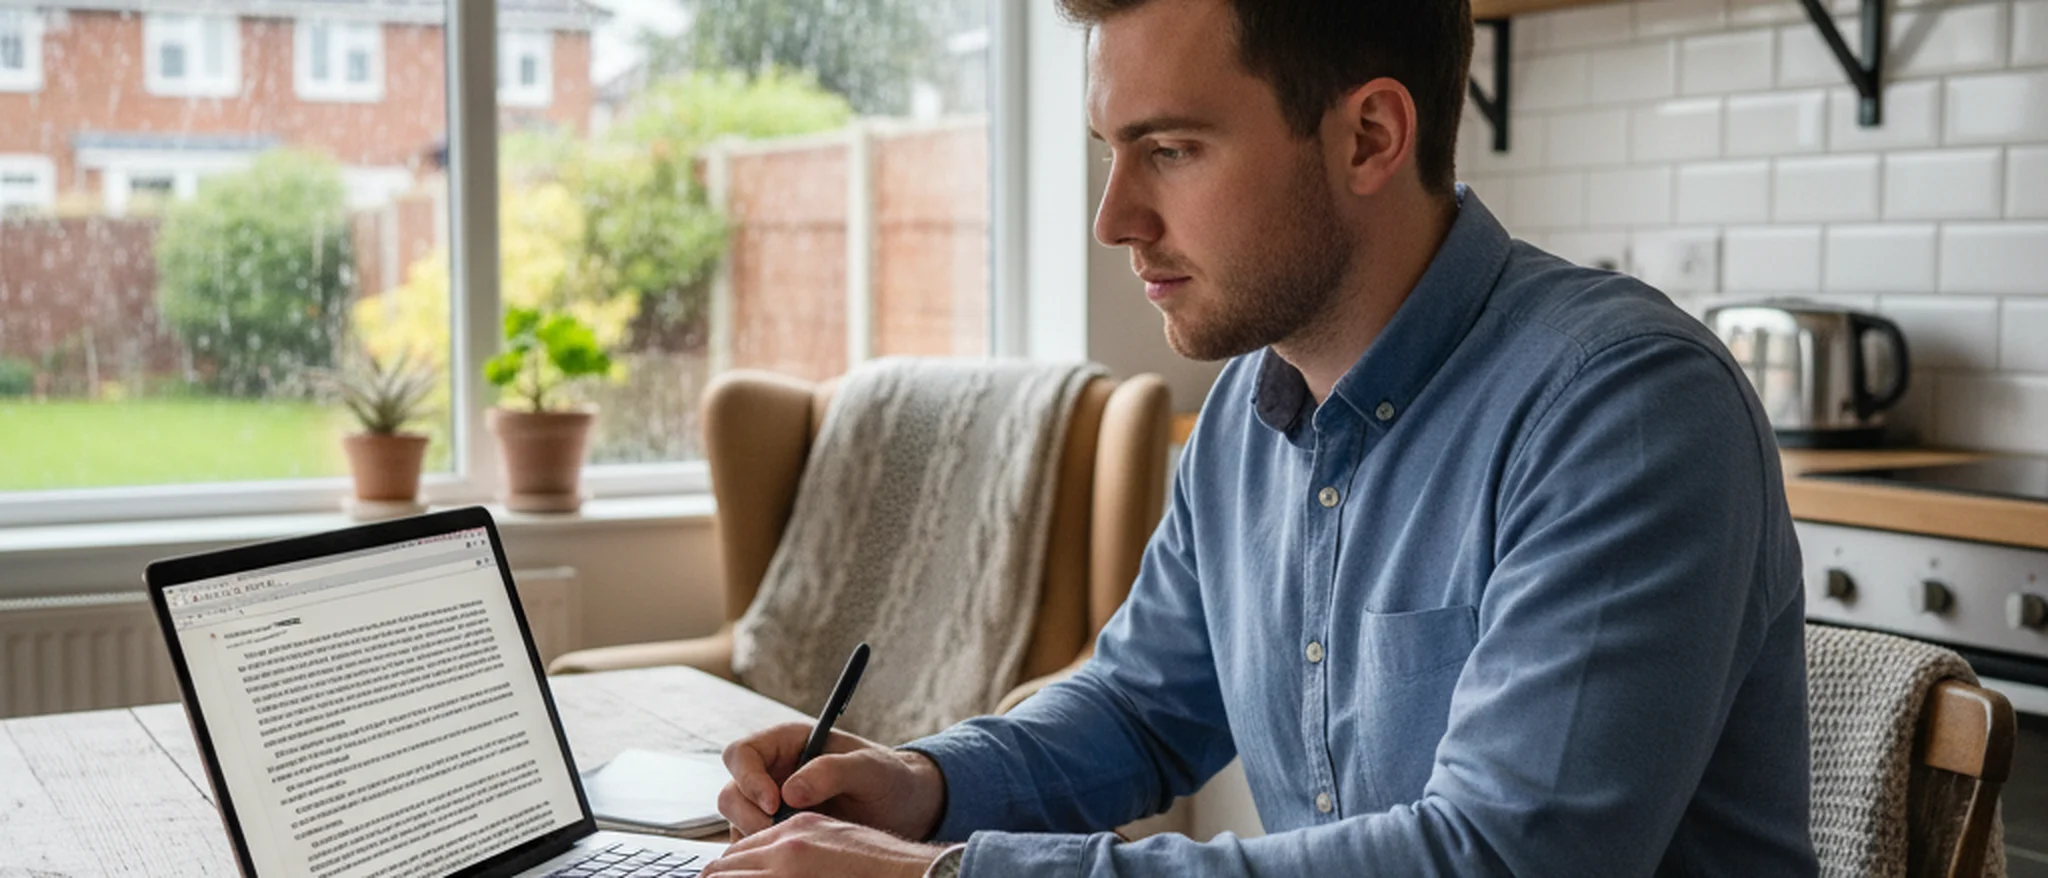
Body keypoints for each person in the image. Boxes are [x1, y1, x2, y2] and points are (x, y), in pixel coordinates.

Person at [700, 0, 1816, 875]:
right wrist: (919, 781)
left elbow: (1506, 858)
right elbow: (1139, 709)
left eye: (1171, 149)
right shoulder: (1249, 404)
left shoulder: (1619, 407)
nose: (1112, 220)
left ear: (1369, 135)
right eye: (1108, 150)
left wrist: (947, 872)